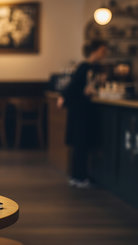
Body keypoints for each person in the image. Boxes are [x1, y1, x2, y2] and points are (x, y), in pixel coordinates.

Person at [58, 39, 108, 188]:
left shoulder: (88, 67)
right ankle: (79, 177)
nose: (104, 54)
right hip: (80, 112)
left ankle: (78, 176)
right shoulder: (85, 67)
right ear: (96, 50)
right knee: (81, 145)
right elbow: (74, 88)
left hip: (79, 112)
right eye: (102, 51)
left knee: (80, 145)